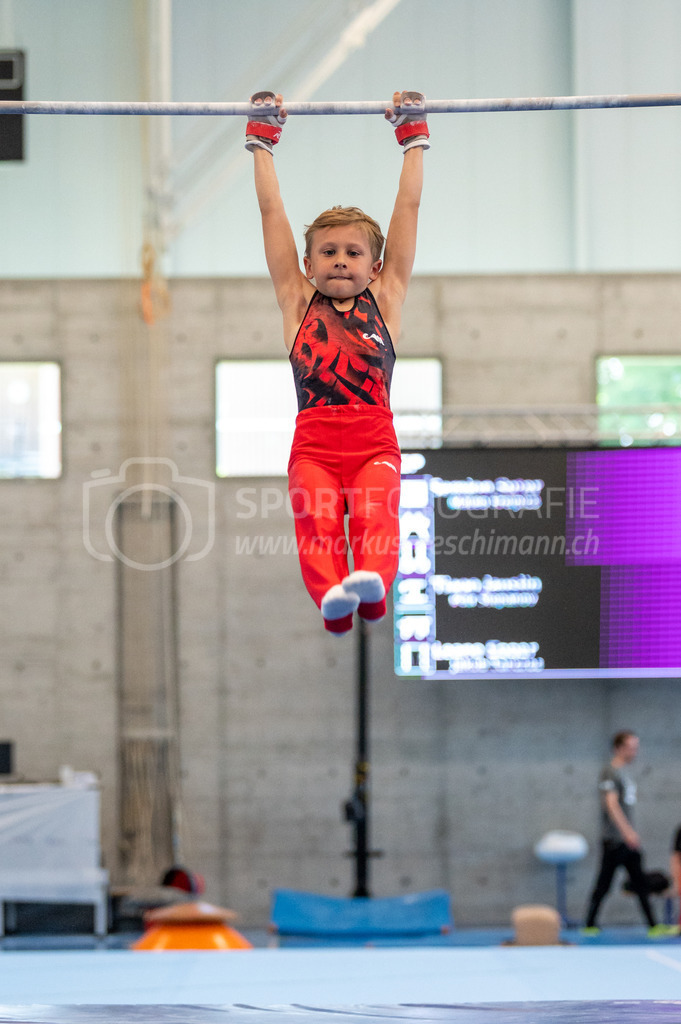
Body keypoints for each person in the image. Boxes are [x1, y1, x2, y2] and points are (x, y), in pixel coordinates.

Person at [246, 89, 429, 634]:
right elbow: (271, 211)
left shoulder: (387, 297)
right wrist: (261, 143)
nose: (341, 261)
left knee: (376, 516)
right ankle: (333, 597)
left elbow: (409, 210)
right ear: (307, 263)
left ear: (376, 266)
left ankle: (372, 589)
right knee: (317, 520)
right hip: (316, 446)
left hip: (374, 441)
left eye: (353, 253)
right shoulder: (297, 301)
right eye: (328, 253)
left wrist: (414, 138)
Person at [584, 730, 661, 934]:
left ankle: (653, 925)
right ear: (618, 748)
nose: (634, 751)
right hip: (615, 840)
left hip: (626, 840)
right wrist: (627, 831)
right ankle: (589, 924)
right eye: (630, 747)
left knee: (640, 882)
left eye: (636, 747)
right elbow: (611, 804)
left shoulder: (625, 773)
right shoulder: (610, 771)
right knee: (604, 883)